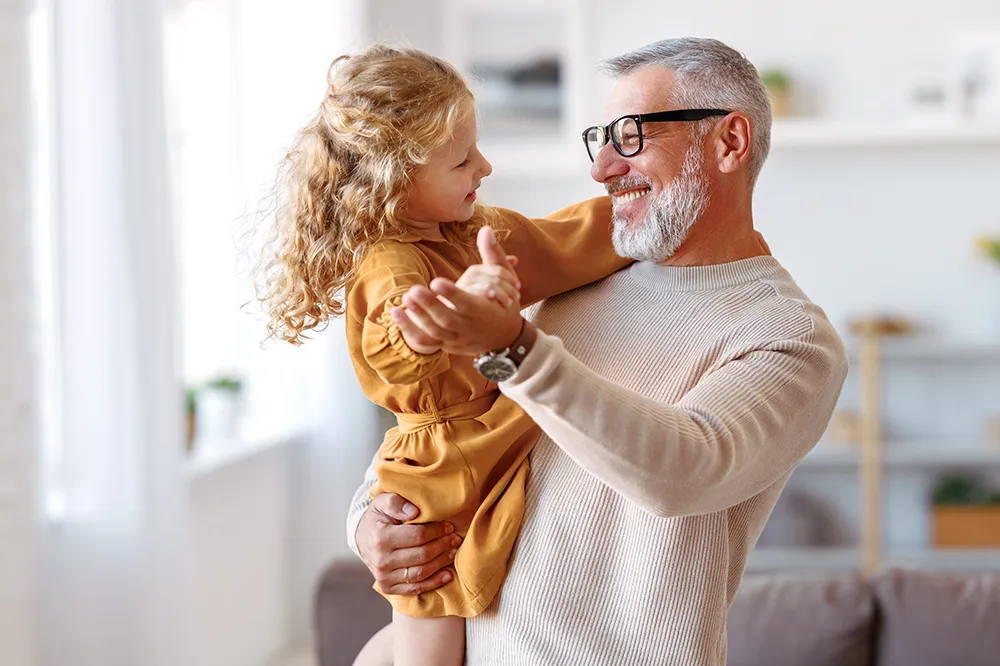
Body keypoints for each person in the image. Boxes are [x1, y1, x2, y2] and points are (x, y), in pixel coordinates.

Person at [347, 37, 849, 665]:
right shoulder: (569, 284)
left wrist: (513, 346)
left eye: (632, 136)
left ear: (729, 142)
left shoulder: (788, 337)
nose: (603, 167)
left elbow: (681, 470)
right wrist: (372, 523)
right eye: (601, 138)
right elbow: (440, 428)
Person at [255, 45, 627, 666]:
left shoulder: (471, 230)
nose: (484, 165)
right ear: (394, 177)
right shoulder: (390, 263)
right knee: (431, 643)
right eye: (461, 160)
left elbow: (563, 242)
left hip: (491, 435)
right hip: (437, 476)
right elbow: (400, 345)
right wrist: (449, 317)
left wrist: (641, 214)